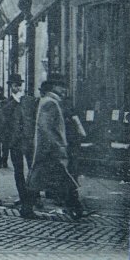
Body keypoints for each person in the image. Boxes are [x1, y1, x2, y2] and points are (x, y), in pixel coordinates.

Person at [23, 75, 84, 220]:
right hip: (50, 151)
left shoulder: (50, 102)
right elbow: (46, 129)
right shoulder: (50, 103)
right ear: (54, 87)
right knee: (63, 180)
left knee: (42, 181)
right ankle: (76, 209)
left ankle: (26, 208)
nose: (64, 90)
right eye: (61, 87)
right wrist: (58, 148)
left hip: (47, 151)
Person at [1, 73, 37, 209]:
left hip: (28, 140)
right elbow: (4, 116)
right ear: (10, 87)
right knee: (18, 170)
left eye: (19, 85)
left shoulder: (30, 100)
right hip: (15, 142)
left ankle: (34, 196)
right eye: (15, 85)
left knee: (32, 168)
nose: (18, 87)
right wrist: (15, 101)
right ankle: (23, 196)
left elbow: (34, 118)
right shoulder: (7, 103)